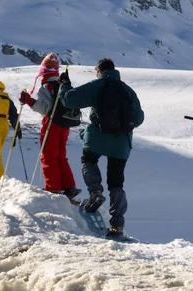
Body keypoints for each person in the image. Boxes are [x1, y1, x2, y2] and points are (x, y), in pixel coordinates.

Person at [59, 58, 144, 238]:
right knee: (116, 182)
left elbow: (69, 100)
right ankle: (117, 225)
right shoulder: (127, 91)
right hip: (121, 144)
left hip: (97, 137)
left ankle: (95, 192)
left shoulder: (97, 85)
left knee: (88, 160)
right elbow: (139, 118)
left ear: (99, 70)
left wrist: (65, 85)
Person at [19, 53, 80, 199]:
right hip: (65, 125)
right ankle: (69, 186)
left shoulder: (47, 85)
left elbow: (44, 108)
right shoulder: (63, 85)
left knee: (48, 155)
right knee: (60, 155)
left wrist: (28, 100)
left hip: (52, 123)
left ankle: (53, 188)